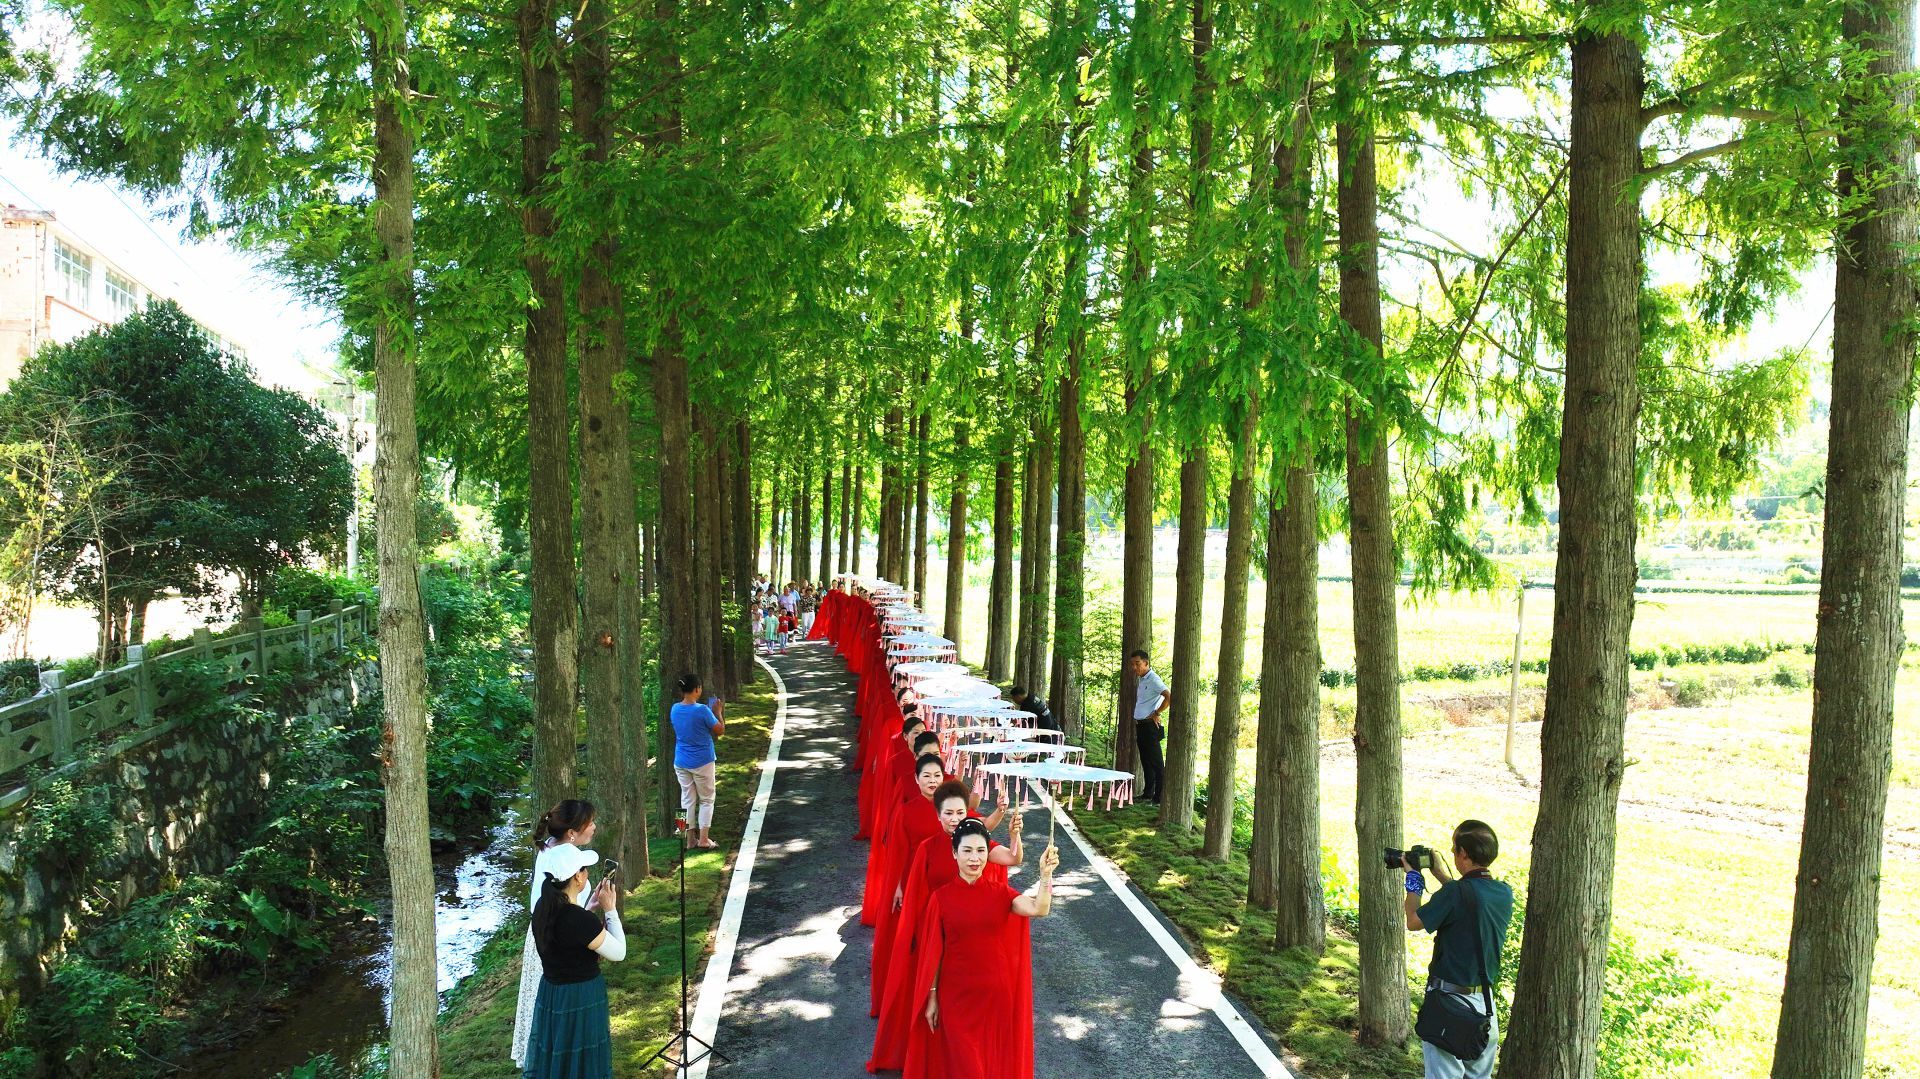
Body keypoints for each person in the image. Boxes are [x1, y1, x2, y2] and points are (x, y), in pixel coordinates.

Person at [869, 781, 1022, 1072]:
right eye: (948, 813)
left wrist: (1014, 832)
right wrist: (913, 931)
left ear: (968, 813)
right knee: (931, 1005)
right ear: (937, 815)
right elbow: (915, 893)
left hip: (969, 936)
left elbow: (1013, 858)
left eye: (960, 813)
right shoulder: (927, 848)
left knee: (965, 1024)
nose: (954, 819)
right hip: (935, 932)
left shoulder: (975, 844)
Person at [903, 821, 1059, 1079]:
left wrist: (1045, 876)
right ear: (954, 853)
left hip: (995, 996)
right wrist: (932, 996)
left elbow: (1039, 909)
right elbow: (933, 954)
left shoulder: (1002, 893)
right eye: (967, 851)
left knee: (990, 1064)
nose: (974, 858)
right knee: (965, 1065)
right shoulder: (940, 898)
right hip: (955, 997)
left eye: (981, 851)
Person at [1404, 820, 1514, 1079]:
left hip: (1450, 1007)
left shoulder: (1456, 893)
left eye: (1454, 848)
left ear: (1464, 853)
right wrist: (1442, 877)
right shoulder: (1503, 893)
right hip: (1485, 1009)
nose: (1452, 853)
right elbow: (1468, 900)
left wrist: (1413, 881)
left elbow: (1413, 921)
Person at [521, 844, 625, 1079]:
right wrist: (610, 910)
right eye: (584, 869)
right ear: (577, 877)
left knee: (558, 1050)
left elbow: (569, 935)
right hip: (581, 995)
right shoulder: (579, 920)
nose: (587, 873)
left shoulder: (542, 908)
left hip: (552, 992)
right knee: (583, 1055)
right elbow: (619, 953)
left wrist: (590, 908)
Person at [512, 800, 597, 1067]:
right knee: (557, 1003)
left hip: (546, 930)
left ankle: (548, 1058)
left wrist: (589, 907)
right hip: (558, 937)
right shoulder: (565, 855)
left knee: (545, 1003)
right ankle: (558, 1060)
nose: (594, 827)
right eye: (590, 823)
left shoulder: (550, 847)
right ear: (572, 832)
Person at [671, 673, 724, 849]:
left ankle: (688, 840)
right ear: (697, 689)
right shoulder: (702, 710)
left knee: (686, 800)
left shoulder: (674, 709)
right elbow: (720, 730)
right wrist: (718, 712)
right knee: (707, 799)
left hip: (681, 761)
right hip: (702, 761)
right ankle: (703, 839)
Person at [1127, 650, 1168, 804]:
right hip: (1141, 726)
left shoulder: (1153, 679)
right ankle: (1148, 794)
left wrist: (1157, 712)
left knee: (1157, 763)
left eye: (1137, 664)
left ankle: (1159, 798)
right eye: (1132, 664)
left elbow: (1168, 696)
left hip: (1150, 726)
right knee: (1146, 761)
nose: (1134, 667)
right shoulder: (1143, 679)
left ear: (1146, 663)